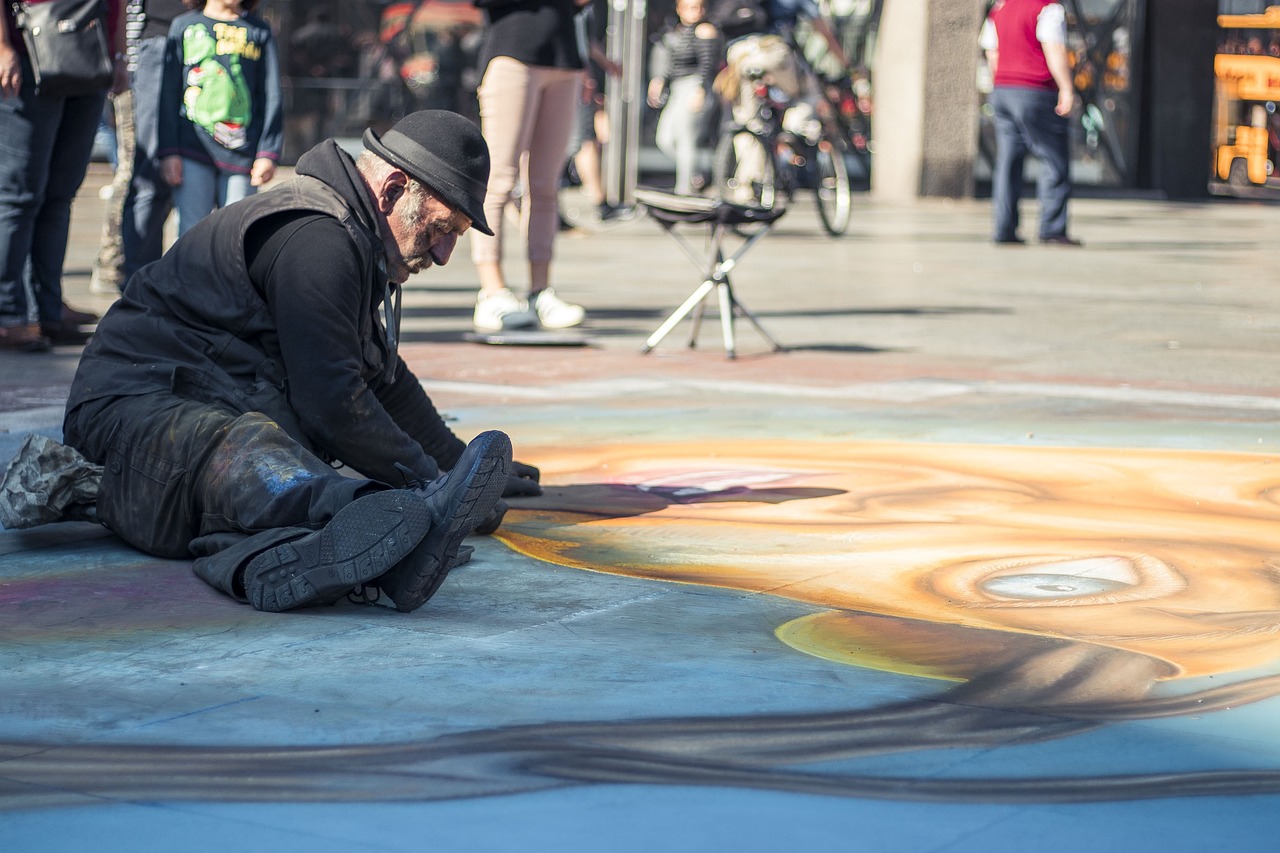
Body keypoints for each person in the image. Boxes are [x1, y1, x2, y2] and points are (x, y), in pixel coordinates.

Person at [62, 110, 540, 614]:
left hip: (186, 421)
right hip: (132, 419)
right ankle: (373, 532)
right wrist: (435, 487)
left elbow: (379, 379)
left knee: (258, 470)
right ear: (394, 189)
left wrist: (454, 462)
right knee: (251, 458)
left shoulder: (350, 237)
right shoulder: (318, 239)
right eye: (442, 228)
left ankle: (368, 553)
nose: (443, 254)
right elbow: (332, 402)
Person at [0, 0, 128, 351]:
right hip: (28, 51)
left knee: (60, 193)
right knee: (19, 195)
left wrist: (117, 54)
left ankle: (47, 309)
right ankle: (8, 314)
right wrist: (2, 46)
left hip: (88, 50)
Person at [470, 0, 591, 333]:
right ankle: (492, 292)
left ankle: (541, 292)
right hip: (514, 51)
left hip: (564, 59)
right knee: (499, 180)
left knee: (545, 186)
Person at [158, 0, 283, 236]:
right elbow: (168, 94)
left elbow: (272, 94)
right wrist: (169, 151)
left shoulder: (259, 30)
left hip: (242, 154)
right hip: (190, 152)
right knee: (191, 235)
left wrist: (268, 153)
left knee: (236, 236)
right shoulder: (184, 25)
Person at [91, 0, 188, 296]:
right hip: (146, 54)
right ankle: (117, 266)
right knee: (140, 172)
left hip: (200, 44)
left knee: (178, 174)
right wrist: (122, 59)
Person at [980, 0, 1081, 246]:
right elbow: (1053, 48)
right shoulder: (1047, 7)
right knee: (1053, 158)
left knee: (1008, 163)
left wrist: (1002, 81)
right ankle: (1052, 228)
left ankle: (1004, 229)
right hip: (1035, 90)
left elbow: (991, 51)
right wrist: (1067, 89)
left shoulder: (1001, 8)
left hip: (1003, 90)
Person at [648, 0, 723, 196]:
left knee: (686, 139)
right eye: (691, 7)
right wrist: (660, 81)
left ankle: (685, 189)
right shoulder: (677, 32)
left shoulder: (705, 31)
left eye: (700, 7)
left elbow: (708, 65)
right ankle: (696, 175)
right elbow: (671, 63)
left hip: (694, 86)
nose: (696, 12)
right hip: (677, 88)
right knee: (665, 138)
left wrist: (701, 89)